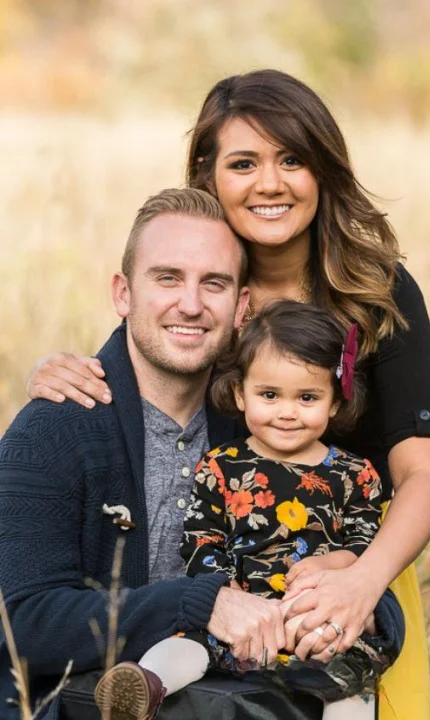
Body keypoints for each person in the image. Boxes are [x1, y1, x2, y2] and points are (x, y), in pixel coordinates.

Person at [26, 69, 430, 718]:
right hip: (233, 579)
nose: (270, 183)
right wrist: (63, 372)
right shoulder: (210, 288)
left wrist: (365, 580)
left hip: (352, 571)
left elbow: (421, 468)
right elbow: (144, 354)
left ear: (323, 168)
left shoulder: (375, 290)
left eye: (292, 159)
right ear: (208, 176)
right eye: (244, 162)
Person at [0, 188, 293, 720]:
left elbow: (344, 540)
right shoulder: (51, 430)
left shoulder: (262, 429)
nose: (190, 304)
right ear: (123, 293)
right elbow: (23, 622)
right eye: (167, 278)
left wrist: (347, 602)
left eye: (214, 283)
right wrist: (201, 602)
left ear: (242, 306)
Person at [94, 301, 405, 720]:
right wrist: (223, 590)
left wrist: (338, 562)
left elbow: (367, 539)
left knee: (350, 685)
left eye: (308, 397)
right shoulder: (222, 465)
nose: (287, 412)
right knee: (186, 646)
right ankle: (145, 684)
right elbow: (202, 538)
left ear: (335, 402)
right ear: (241, 393)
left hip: (315, 618)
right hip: (239, 615)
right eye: (270, 394)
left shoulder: (355, 473)